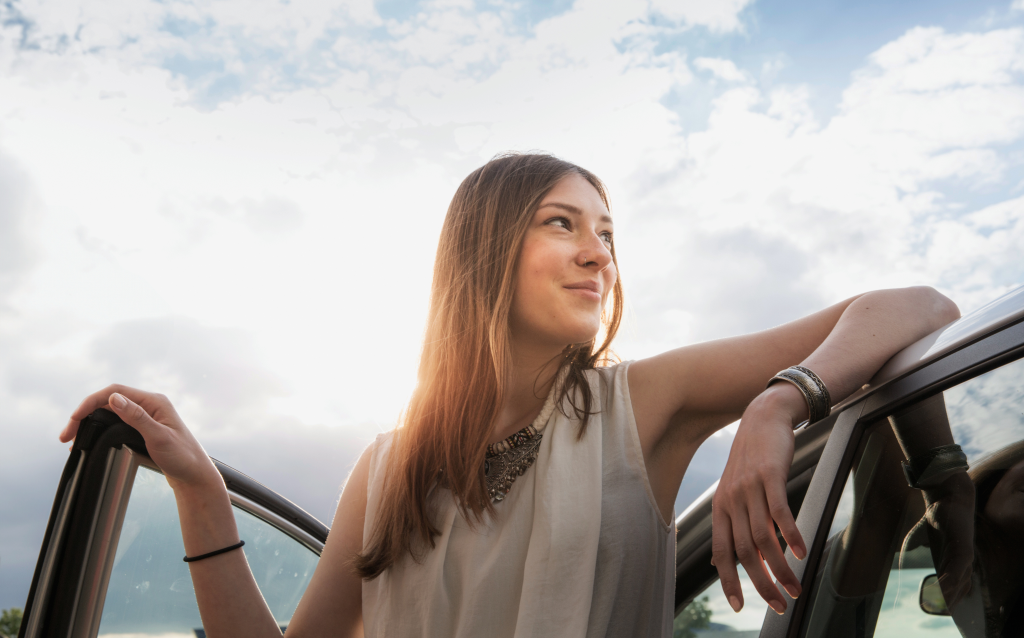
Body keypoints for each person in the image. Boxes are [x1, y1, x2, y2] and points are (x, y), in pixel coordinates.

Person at [60, 153, 960, 637]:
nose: (598, 252)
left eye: (606, 233)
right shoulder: (387, 468)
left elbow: (916, 306)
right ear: (483, 251)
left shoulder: (642, 405)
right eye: (562, 223)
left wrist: (778, 402)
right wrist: (199, 493)